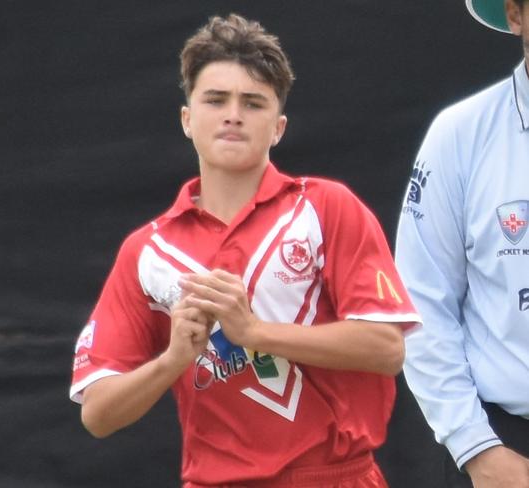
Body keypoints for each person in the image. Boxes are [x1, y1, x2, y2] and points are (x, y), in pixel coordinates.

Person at [71, 13, 420, 488]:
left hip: (336, 477)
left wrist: (253, 330)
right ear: (187, 120)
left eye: (252, 103)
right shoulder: (149, 250)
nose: (233, 114)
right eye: (216, 100)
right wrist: (172, 360)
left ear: (278, 127)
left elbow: (386, 349)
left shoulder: (325, 207)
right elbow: (98, 414)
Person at [395, 1, 529, 487]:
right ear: (515, 15)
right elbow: (421, 302)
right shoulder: (460, 134)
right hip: (506, 445)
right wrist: (476, 447)